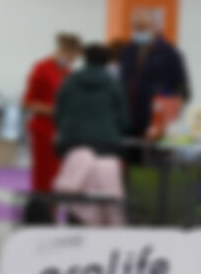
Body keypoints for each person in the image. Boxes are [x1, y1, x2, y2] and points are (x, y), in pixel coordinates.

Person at [51, 42, 128, 225]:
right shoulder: (113, 83)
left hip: (73, 142)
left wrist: (67, 131)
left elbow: (59, 112)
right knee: (106, 189)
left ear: (84, 59)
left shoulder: (69, 80)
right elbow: (123, 117)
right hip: (106, 144)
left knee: (76, 186)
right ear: (107, 61)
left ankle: (75, 221)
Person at [118, 7, 190, 139]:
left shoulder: (169, 54)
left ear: (155, 27)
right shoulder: (127, 52)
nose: (139, 31)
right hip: (128, 124)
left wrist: (169, 119)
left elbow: (183, 90)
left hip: (156, 124)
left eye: (143, 27)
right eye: (135, 27)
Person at [23, 33, 81, 192]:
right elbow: (28, 102)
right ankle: (41, 213)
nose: (71, 61)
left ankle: (52, 213)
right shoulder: (42, 68)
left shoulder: (69, 73)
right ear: (62, 50)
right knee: (43, 177)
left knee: (59, 178)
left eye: (74, 58)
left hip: (63, 132)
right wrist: (55, 110)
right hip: (43, 130)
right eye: (70, 56)